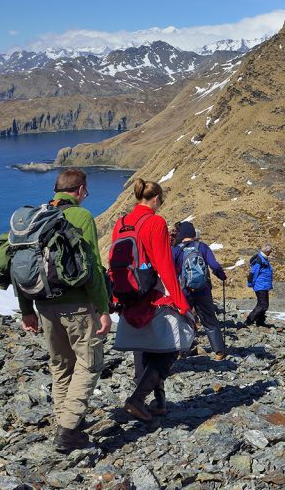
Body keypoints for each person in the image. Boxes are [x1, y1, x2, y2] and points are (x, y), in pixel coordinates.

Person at [17, 169, 110, 453]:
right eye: (87, 191)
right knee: (90, 362)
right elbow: (92, 266)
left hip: (43, 305)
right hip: (77, 305)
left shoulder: (36, 217)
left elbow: (20, 266)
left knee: (61, 366)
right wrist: (103, 308)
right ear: (80, 190)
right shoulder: (81, 217)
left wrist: (26, 311)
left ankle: (66, 424)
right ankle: (68, 430)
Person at [111, 178, 193, 422]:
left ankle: (157, 403)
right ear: (156, 199)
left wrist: (116, 296)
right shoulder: (155, 222)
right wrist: (180, 301)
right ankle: (138, 399)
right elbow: (164, 264)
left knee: (144, 346)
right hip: (152, 293)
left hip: (128, 294)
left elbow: (114, 261)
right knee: (169, 348)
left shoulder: (121, 223)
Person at [172, 221, 228, 358]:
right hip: (203, 290)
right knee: (209, 320)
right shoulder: (202, 247)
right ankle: (219, 351)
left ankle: (182, 351)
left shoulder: (176, 249)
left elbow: (170, 270)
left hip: (184, 291)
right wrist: (222, 276)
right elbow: (214, 265)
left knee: (184, 320)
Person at [243, 244, 274, 327]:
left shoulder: (263, 258)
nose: (271, 252)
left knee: (263, 305)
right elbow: (253, 272)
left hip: (263, 285)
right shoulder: (260, 260)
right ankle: (249, 320)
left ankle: (260, 322)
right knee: (262, 305)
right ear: (267, 251)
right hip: (260, 285)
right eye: (270, 251)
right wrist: (251, 283)